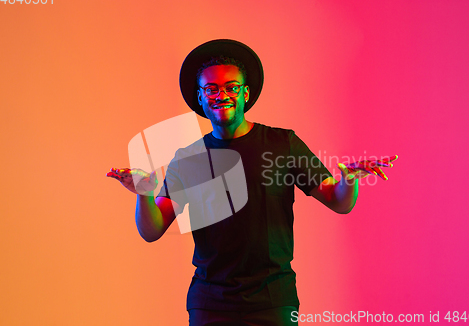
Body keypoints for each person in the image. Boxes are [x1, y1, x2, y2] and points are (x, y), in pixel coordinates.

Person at [107, 39, 397, 326]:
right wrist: (144, 194)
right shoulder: (188, 159)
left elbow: (339, 201)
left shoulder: (283, 144)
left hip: (273, 299)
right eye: (211, 88)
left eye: (232, 87)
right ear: (200, 97)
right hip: (210, 303)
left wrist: (348, 181)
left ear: (245, 93)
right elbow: (152, 230)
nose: (222, 95)